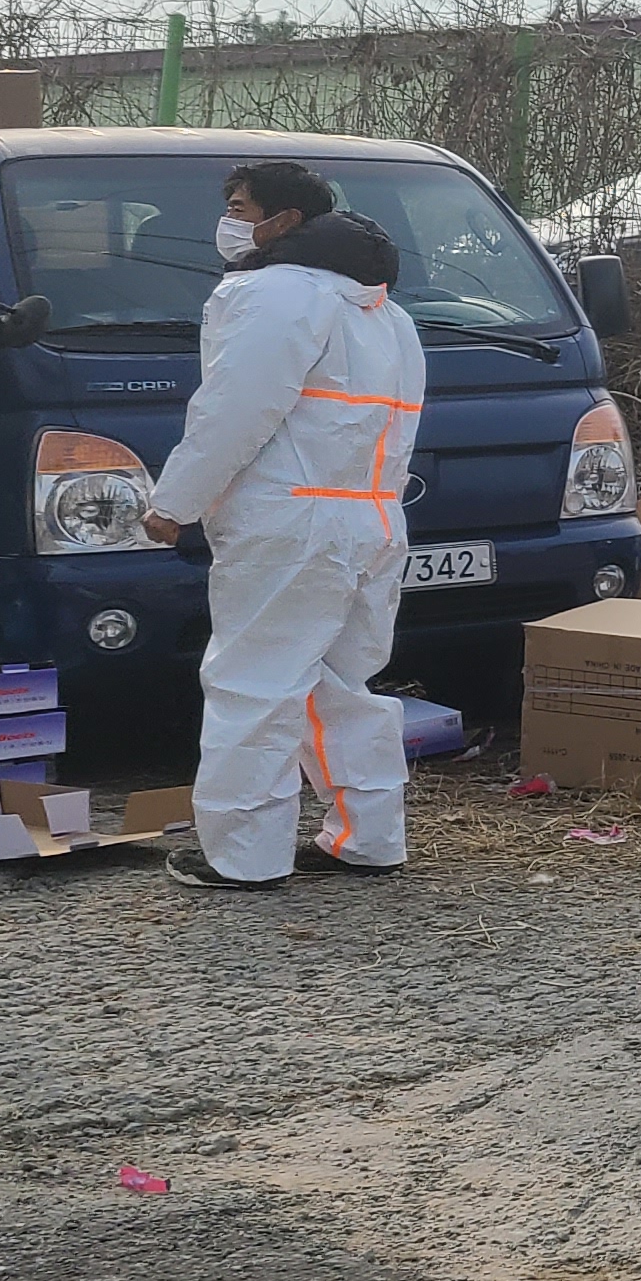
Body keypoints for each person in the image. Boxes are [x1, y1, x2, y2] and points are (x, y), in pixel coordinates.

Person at [145, 159, 426, 892]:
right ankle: (367, 840)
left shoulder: (270, 294)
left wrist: (173, 503)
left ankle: (243, 856)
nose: (231, 221)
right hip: (372, 520)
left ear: (286, 221)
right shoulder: (388, 314)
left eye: (241, 206)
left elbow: (234, 413)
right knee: (344, 687)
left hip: (288, 522)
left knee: (255, 685)